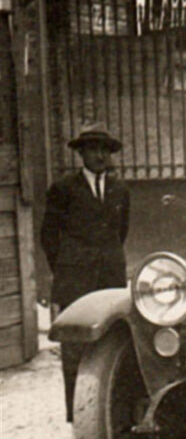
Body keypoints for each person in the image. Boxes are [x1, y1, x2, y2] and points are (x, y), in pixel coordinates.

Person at [41, 122, 130, 423]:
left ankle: (109, 416)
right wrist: (67, 269)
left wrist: (109, 261)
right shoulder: (63, 189)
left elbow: (121, 231)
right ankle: (77, 419)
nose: (100, 156)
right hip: (75, 280)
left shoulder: (120, 188)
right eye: (93, 149)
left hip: (110, 279)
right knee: (75, 350)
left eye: (105, 150)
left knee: (111, 344)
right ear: (81, 154)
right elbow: (48, 236)